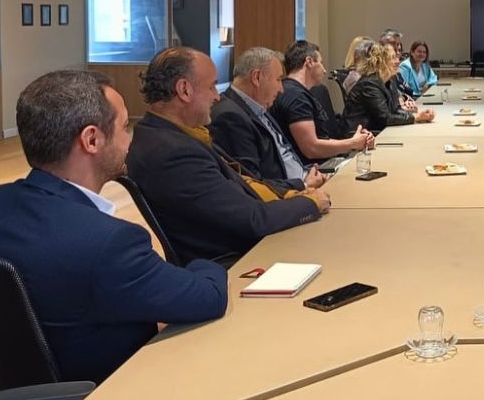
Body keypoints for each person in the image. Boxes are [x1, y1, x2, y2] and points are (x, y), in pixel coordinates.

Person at [0, 70, 227, 383]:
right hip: (106, 398)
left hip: (15, 398)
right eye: (125, 127)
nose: (130, 139)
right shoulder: (108, 243)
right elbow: (209, 297)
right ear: (91, 140)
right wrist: (204, 262)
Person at [127, 48, 329, 265]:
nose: (217, 96)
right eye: (212, 86)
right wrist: (310, 203)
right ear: (184, 90)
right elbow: (252, 219)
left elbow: (243, 183)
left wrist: (292, 192)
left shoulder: (174, 135)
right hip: (237, 261)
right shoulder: (171, 152)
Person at [209, 47, 328, 191]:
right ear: (257, 77)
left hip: (306, 180)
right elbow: (252, 183)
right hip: (291, 194)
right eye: (278, 79)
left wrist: (308, 174)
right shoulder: (230, 117)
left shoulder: (257, 107)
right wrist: (304, 185)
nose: (281, 89)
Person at [271, 40, 374, 164]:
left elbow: (322, 138)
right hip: (313, 170)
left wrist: (356, 139)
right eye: (321, 62)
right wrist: (352, 143)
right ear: (309, 62)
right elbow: (312, 148)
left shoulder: (297, 92)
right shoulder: (296, 97)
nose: (324, 70)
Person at [345, 42, 436, 133]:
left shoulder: (390, 80)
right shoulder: (369, 84)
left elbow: (395, 109)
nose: (398, 61)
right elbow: (385, 118)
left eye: (397, 57)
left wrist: (416, 114)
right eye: (392, 58)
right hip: (358, 134)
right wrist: (416, 117)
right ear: (380, 61)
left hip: (377, 131)